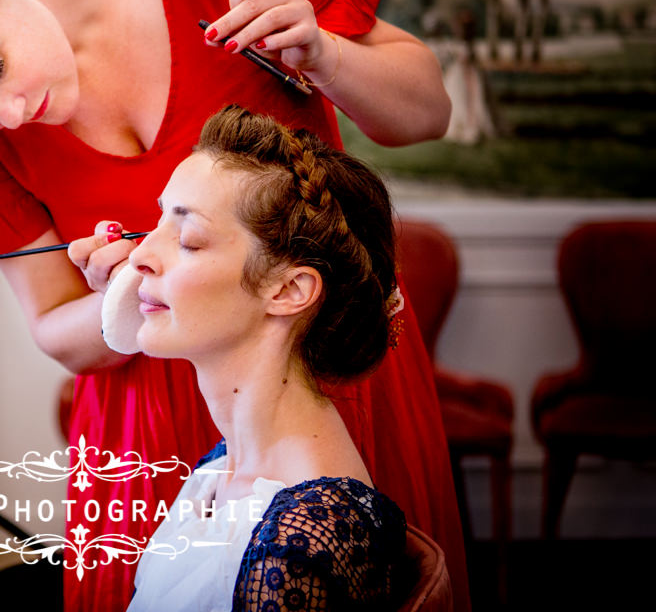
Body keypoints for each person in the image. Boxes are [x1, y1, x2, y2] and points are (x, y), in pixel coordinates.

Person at [0, 0, 468, 611]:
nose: (5, 118)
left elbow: (427, 114)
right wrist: (134, 285)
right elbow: (55, 329)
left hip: (322, 380)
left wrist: (325, 55)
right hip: (150, 425)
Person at [72, 105, 408, 611]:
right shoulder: (222, 467)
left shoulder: (307, 540)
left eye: (186, 239)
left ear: (290, 288)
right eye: (157, 222)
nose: (139, 256)